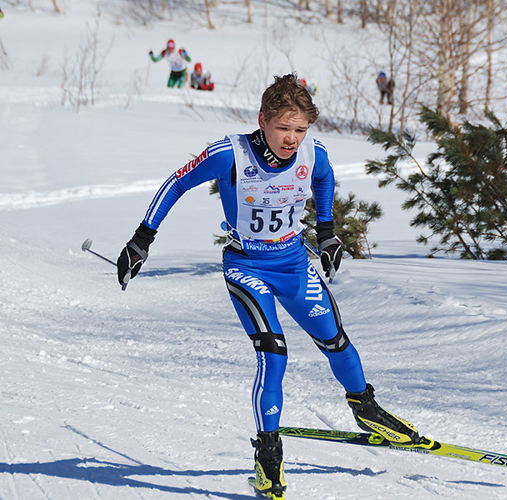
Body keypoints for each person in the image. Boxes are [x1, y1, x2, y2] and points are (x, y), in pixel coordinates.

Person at [116, 74, 420, 499]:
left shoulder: (313, 151)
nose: (292, 139)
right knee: (274, 354)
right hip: (247, 266)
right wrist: (141, 240)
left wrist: (328, 232)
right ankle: (268, 456)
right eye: (283, 128)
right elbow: (176, 182)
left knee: (336, 341)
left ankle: (364, 408)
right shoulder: (231, 154)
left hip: (294, 262)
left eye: (300, 130)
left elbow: (324, 178)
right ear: (263, 120)